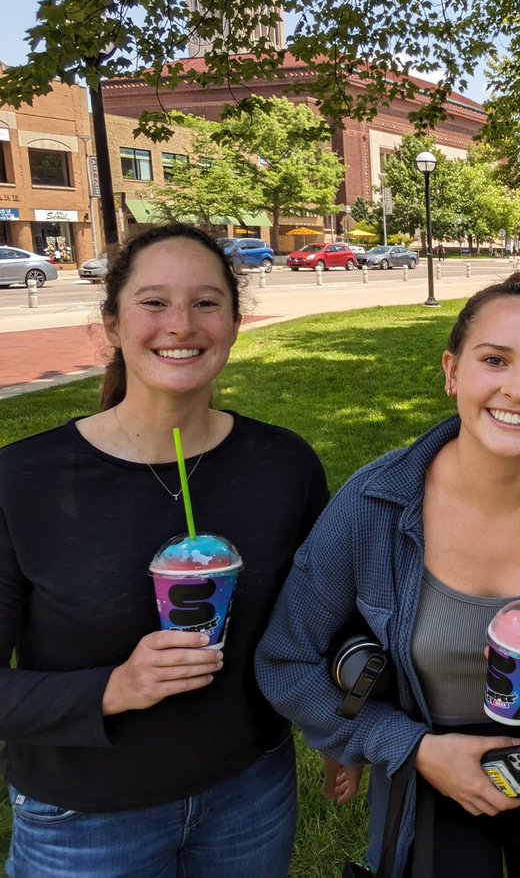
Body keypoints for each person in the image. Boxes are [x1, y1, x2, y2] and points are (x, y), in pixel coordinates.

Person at [256, 266, 520, 877]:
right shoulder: (374, 503)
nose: (519, 389)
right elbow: (285, 660)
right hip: (428, 775)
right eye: (494, 360)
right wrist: (408, 747)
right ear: (452, 372)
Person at [0, 223, 330, 877]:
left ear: (234, 323)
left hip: (250, 788)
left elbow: (318, 622)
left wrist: (340, 725)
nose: (181, 324)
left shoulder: (283, 465)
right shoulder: (23, 481)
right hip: (86, 814)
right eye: (154, 302)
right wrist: (114, 687)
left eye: (206, 303)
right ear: (113, 323)